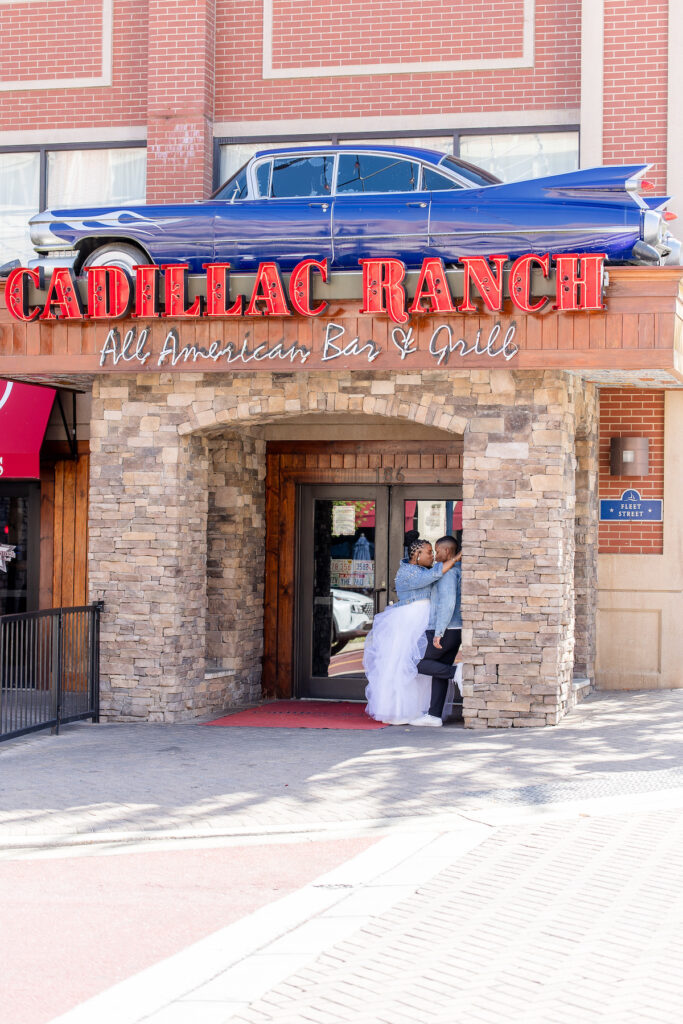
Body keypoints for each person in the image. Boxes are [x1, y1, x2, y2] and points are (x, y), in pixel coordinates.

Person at [364, 538, 460, 725]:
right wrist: (455, 559)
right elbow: (430, 577)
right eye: (429, 552)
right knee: (405, 662)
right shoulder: (406, 573)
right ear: (416, 555)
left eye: (434, 552)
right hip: (409, 621)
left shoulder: (427, 569)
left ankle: (428, 712)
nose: (432, 556)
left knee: (423, 665)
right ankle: (400, 709)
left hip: (425, 621)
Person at [409, 535, 462, 728]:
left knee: (413, 660)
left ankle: (457, 672)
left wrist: (439, 632)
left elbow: (447, 603)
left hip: (445, 629)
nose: (435, 554)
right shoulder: (455, 570)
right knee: (439, 671)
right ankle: (434, 715)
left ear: (447, 551)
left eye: (437, 550)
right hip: (454, 631)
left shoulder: (448, 574)